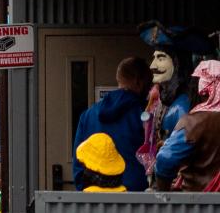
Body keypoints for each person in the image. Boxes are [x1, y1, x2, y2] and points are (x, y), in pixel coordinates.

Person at [73, 57, 152, 192]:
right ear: (139, 82)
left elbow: (78, 161)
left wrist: (84, 193)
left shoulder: (87, 115)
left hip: (94, 200)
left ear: (119, 80)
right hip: (137, 201)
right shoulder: (144, 115)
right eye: (149, 84)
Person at [156, 59, 220, 191]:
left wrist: (163, 192)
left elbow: (165, 159)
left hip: (197, 202)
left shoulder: (194, 122)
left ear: (201, 89)